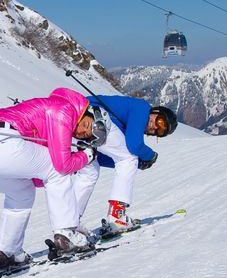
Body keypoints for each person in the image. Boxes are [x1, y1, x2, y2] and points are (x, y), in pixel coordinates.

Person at [0, 87, 108, 271]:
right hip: (4, 139)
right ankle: (67, 234)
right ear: (88, 112)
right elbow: (61, 166)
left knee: (21, 193)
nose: (82, 131)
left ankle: (7, 252)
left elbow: (35, 175)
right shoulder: (65, 109)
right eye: (89, 125)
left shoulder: (56, 114)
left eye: (86, 136)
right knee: (57, 171)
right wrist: (86, 156)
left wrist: (72, 163)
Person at [74, 98, 177, 234]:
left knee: (91, 167)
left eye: (160, 131)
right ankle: (117, 216)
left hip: (78, 119)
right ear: (156, 111)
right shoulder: (142, 108)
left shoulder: (122, 130)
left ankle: (69, 224)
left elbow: (105, 158)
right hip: (91, 117)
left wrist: (137, 163)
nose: (155, 127)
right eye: (160, 121)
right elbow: (134, 145)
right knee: (129, 158)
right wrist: (150, 156)